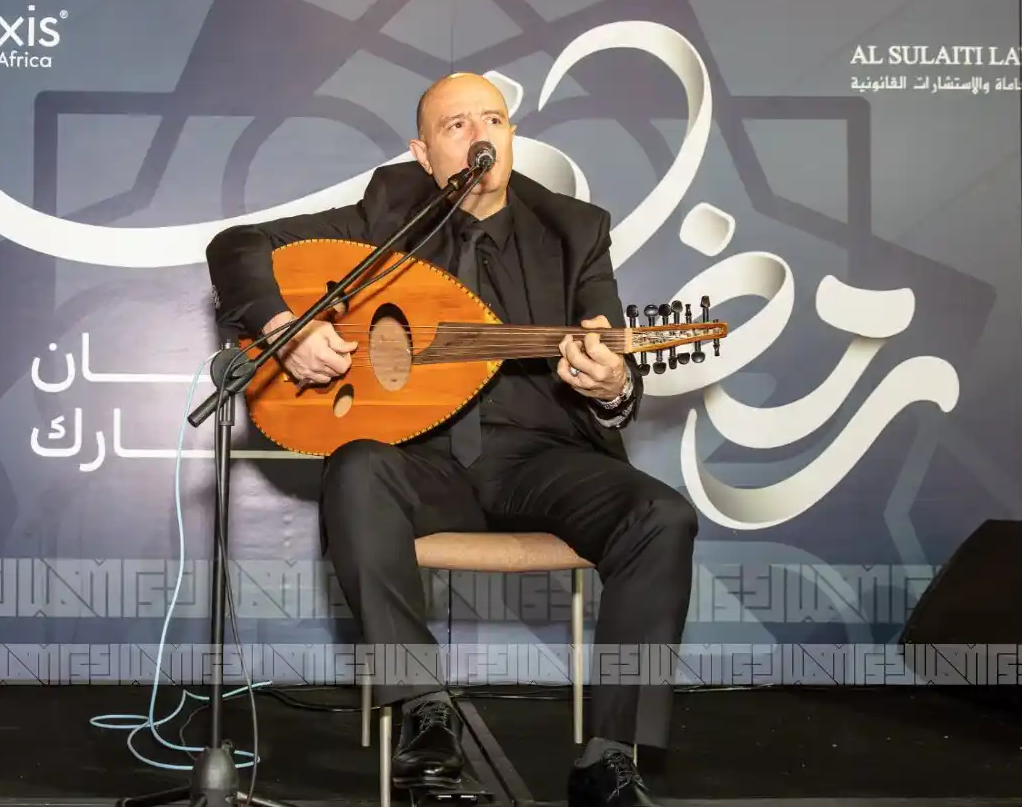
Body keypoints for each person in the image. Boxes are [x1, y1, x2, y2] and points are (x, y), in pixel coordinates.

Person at [206, 73, 697, 807]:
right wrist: (284, 328)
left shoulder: (575, 229)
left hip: (539, 461)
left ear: (511, 135)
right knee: (356, 468)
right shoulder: (385, 215)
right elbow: (236, 245)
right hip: (420, 464)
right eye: (455, 126)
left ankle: (607, 757)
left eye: (492, 120)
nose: (478, 138)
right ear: (423, 152)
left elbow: (609, 358)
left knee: (662, 515)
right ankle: (425, 712)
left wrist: (612, 385)